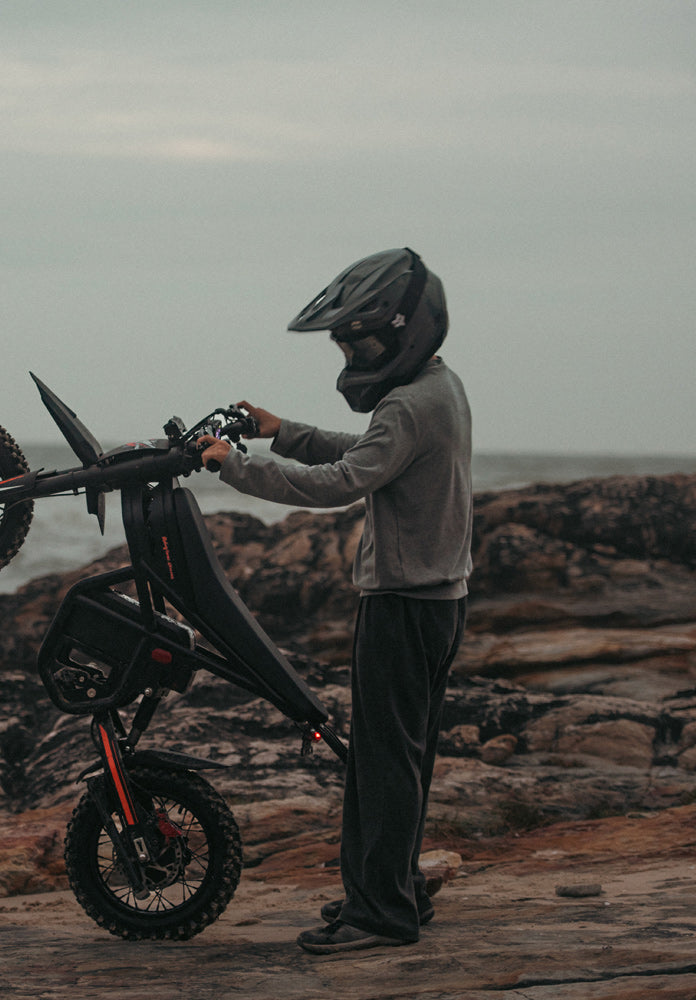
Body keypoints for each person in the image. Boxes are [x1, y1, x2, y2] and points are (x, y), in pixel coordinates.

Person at [198, 248, 472, 955]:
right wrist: (280, 429)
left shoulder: (410, 403)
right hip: (440, 600)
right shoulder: (438, 388)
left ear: (405, 329)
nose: (355, 352)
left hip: (405, 604)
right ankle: (391, 892)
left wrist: (234, 467)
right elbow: (371, 449)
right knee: (403, 757)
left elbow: (340, 482)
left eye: (363, 339)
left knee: (381, 761)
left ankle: (380, 915)